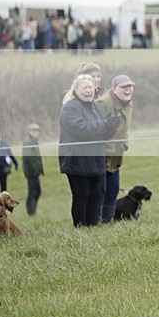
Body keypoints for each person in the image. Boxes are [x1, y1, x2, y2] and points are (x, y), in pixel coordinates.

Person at [59, 74, 121, 228]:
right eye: (84, 87)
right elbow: (81, 129)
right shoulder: (70, 108)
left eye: (90, 87)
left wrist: (111, 128)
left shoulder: (97, 107)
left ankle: (92, 229)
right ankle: (80, 229)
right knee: (82, 197)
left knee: (96, 196)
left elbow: (103, 133)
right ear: (76, 89)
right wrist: (105, 124)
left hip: (96, 159)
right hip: (77, 160)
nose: (88, 90)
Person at [96, 74, 135, 222]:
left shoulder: (129, 104)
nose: (128, 90)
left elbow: (125, 129)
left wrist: (125, 143)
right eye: (123, 87)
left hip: (117, 154)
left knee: (113, 189)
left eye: (130, 86)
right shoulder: (103, 103)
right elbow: (97, 130)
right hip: (102, 154)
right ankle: (97, 220)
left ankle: (108, 219)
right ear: (113, 89)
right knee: (101, 190)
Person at [22, 123, 44, 215]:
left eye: (37, 131)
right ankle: (31, 212)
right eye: (33, 131)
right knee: (32, 192)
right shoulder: (28, 142)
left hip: (36, 172)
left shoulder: (34, 142)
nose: (35, 133)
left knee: (37, 191)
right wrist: (35, 170)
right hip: (31, 172)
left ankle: (33, 211)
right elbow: (28, 158)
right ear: (30, 132)